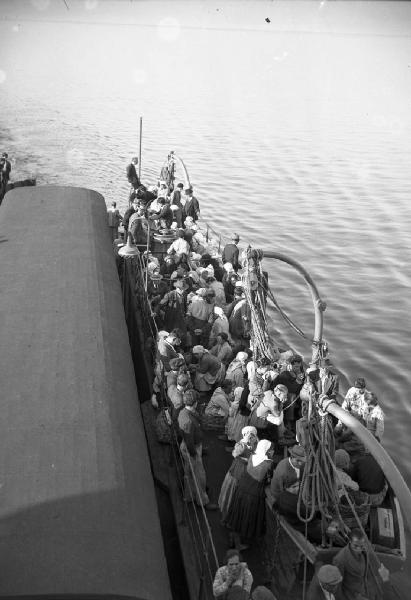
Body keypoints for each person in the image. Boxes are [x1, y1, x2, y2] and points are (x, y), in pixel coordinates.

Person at [224, 439, 273, 542]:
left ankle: (233, 535)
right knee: (247, 518)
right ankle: (239, 543)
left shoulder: (252, 457)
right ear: (266, 450)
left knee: (238, 513)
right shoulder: (268, 464)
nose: (272, 452)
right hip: (253, 495)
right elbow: (268, 480)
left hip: (241, 489)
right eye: (271, 449)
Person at [178, 389, 218, 510]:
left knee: (189, 473)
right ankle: (203, 501)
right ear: (195, 403)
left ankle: (189, 496)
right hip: (191, 448)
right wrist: (194, 454)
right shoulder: (189, 421)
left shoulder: (183, 412)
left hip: (188, 446)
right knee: (198, 475)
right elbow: (189, 440)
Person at [333, 528, 389, 600]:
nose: (359, 549)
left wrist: (391, 551)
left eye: (361, 546)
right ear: (350, 542)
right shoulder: (340, 559)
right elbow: (337, 587)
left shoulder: (364, 545)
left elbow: (373, 547)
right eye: (355, 546)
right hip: (353, 595)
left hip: (366, 588)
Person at [218, 426, 258, 522]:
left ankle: (233, 518)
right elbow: (235, 454)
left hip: (246, 474)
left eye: (253, 435)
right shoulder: (241, 444)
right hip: (237, 472)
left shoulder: (255, 443)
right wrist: (247, 458)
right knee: (231, 495)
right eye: (250, 434)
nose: (251, 437)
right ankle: (225, 517)